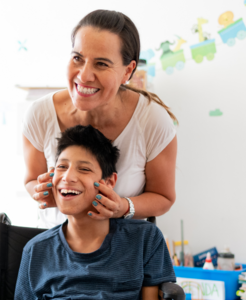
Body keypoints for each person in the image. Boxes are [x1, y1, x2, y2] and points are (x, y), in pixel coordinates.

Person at [0, 125, 175, 300]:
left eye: (84, 169)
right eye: (61, 166)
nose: (68, 177)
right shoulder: (36, 249)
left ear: (109, 182)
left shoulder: (144, 239)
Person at [23, 9, 178, 228]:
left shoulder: (152, 121)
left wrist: (123, 207)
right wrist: (40, 192)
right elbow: (31, 180)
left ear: (128, 71)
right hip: (56, 253)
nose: (84, 76)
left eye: (102, 64)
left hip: (122, 256)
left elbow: (163, 198)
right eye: (78, 58)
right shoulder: (39, 114)